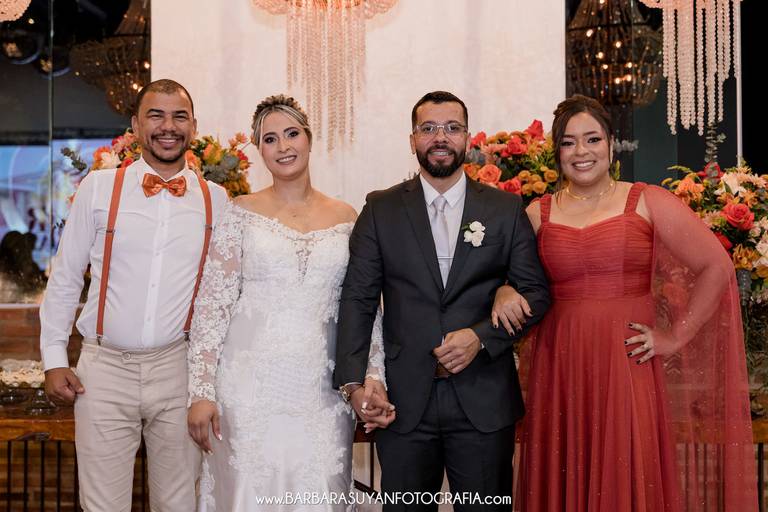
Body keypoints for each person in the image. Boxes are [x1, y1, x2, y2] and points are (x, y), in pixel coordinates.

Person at [492, 94, 757, 511]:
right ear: (556, 152)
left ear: (611, 144)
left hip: (626, 365)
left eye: (592, 139)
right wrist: (504, 289)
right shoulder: (536, 214)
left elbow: (717, 266)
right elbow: (510, 282)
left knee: (627, 475)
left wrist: (674, 336)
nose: (581, 151)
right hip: (559, 367)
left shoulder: (648, 200)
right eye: (568, 142)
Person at [334, 91, 550, 511]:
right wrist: (353, 384)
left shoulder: (504, 208)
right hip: (403, 402)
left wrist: (481, 336)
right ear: (412, 139)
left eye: (452, 128)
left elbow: (536, 293)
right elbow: (357, 299)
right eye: (428, 128)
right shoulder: (381, 209)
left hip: (484, 399)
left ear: (467, 137)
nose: (440, 137)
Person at [186, 94, 389, 511]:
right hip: (247, 390)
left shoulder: (346, 217)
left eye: (292, 134)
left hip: (322, 391)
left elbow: (363, 309)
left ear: (309, 139)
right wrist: (201, 392)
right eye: (270, 139)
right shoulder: (240, 213)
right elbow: (211, 309)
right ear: (259, 150)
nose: (283, 147)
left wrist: (373, 374)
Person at [40, 79, 230, 511]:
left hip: (178, 368)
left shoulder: (217, 200)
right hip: (103, 370)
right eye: (155, 115)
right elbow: (65, 277)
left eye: (179, 116)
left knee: (178, 503)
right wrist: (54, 358)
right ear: (136, 125)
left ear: (194, 126)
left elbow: (223, 295)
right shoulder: (98, 188)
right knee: (102, 505)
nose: (168, 126)